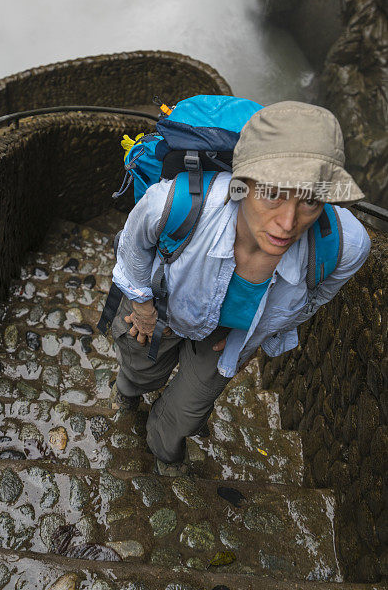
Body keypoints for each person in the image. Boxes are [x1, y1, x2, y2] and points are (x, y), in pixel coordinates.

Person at [108, 100, 371, 476]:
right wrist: (143, 306)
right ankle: (128, 394)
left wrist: (258, 336)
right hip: (162, 309)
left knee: (187, 412)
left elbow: (316, 296)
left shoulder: (346, 245)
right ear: (240, 185)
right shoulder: (177, 202)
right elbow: (133, 243)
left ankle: (162, 450)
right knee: (140, 368)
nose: (287, 223)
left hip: (228, 337)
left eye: (310, 200)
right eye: (273, 194)